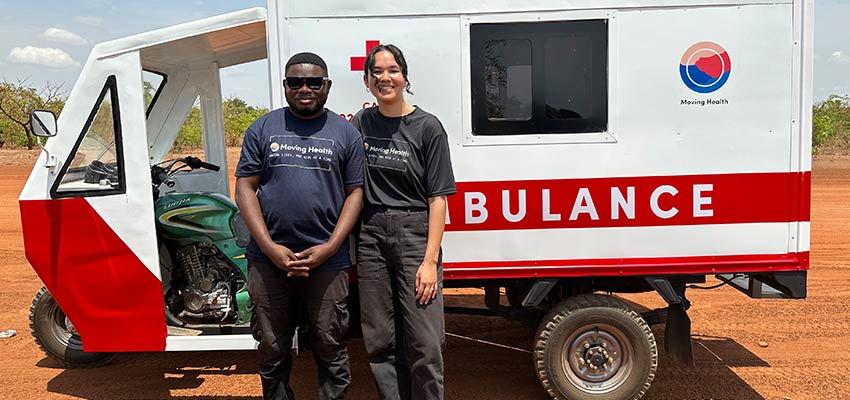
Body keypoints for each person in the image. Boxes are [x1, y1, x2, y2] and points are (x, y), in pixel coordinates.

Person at [235, 52, 365, 400]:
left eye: (313, 82)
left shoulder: (345, 133)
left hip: (327, 260)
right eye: (296, 82)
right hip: (268, 261)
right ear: (285, 86)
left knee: (329, 343)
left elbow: (355, 194)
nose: (304, 88)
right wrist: (268, 247)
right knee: (272, 347)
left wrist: (331, 246)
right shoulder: (263, 128)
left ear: (327, 86)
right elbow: (245, 187)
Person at [352, 44, 456, 400]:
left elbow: (438, 199)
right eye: (377, 71)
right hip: (370, 235)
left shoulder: (428, 127)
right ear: (367, 81)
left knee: (425, 341)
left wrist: (429, 263)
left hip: (415, 233)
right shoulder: (361, 123)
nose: (385, 77)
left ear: (405, 78)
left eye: (393, 70)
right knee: (380, 338)